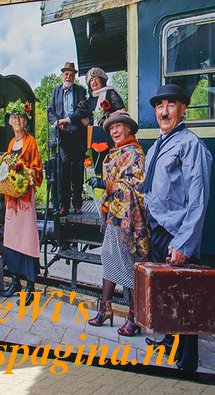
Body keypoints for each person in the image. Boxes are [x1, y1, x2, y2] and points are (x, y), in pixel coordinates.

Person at [143, 84, 213, 372]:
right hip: (158, 230)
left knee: (185, 297)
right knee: (167, 293)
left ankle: (188, 361)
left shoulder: (190, 144)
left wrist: (184, 242)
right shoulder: (156, 146)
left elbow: (198, 198)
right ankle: (170, 342)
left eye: (171, 105)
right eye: (159, 106)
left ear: (183, 109)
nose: (164, 111)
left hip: (177, 233)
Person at [86, 111, 150, 336]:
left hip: (128, 219)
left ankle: (134, 317)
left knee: (129, 264)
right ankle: (105, 309)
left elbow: (138, 187)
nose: (114, 131)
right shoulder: (115, 152)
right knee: (109, 258)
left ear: (128, 129)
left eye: (118, 126)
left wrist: (107, 184)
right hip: (114, 215)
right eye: (111, 128)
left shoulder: (134, 153)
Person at [0, 104, 43, 305]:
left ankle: (30, 286)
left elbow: (37, 169)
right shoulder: (11, 143)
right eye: (14, 118)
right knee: (11, 238)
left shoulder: (30, 142)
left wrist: (24, 173)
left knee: (27, 239)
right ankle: (15, 281)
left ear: (25, 121)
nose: (17, 120)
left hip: (25, 198)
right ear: (10, 122)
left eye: (20, 117)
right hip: (12, 198)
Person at [47, 62, 89, 216]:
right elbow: (50, 112)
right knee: (63, 170)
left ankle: (77, 204)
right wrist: (58, 123)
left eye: (71, 75)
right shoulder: (56, 91)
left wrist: (68, 120)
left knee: (78, 170)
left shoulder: (80, 91)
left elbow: (81, 110)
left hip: (77, 137)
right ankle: (64, 205)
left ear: (74, 76)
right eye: (66, 74)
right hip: (63, 138)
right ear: (63, 75)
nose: (68, 77)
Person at [85, 67, 126, 175]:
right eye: (91, 80)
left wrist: (107, 117)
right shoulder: (90, 99)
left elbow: (122, 111)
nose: (94, 81)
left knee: (111, 166)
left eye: (96, 78)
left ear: (102, 80)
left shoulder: (110, 93)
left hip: (111, 135)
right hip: (96, 137)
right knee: (99, 167)